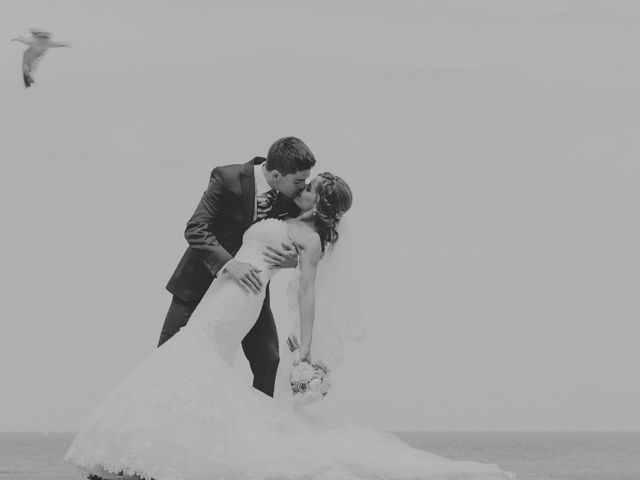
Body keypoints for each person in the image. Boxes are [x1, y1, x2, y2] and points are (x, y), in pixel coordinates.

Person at [65, 173, 515, 480]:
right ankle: (159, 456)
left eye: (310, 186)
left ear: (319, 200)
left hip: (241, 298)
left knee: (193, 355)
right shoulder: (284, 214)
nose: (303, 187)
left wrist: (307, 349)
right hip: (221, 290)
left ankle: (149, 457)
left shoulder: (310, 239)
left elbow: (307, 291)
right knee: (198, 362)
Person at [159, 136, 315, 397]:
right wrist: (229, 264)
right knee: (167, 357)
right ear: (276, 174)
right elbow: (196, 228)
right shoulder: (226, 178)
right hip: (199, 282)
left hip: (248, 291)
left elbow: (302, 235)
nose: (302, 188)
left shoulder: (289, 196)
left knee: (269, 359)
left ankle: (258, 428)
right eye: (298, 182)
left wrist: (294, 260)